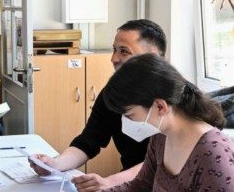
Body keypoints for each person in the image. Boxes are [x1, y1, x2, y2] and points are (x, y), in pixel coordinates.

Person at [31, 19, 167, 191]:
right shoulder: (112, 94)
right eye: (114, 50)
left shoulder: (175, 97)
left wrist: (110, 182)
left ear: (152, 57)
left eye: (124, 51)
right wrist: (54, 164)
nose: (114, 58)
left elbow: (160, 163)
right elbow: (88, 141)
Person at [101, 54, 233, 191]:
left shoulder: (213, 154)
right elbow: (141, 185)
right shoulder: (161, 137)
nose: (125, 121)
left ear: (160, 107)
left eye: (130, 115)